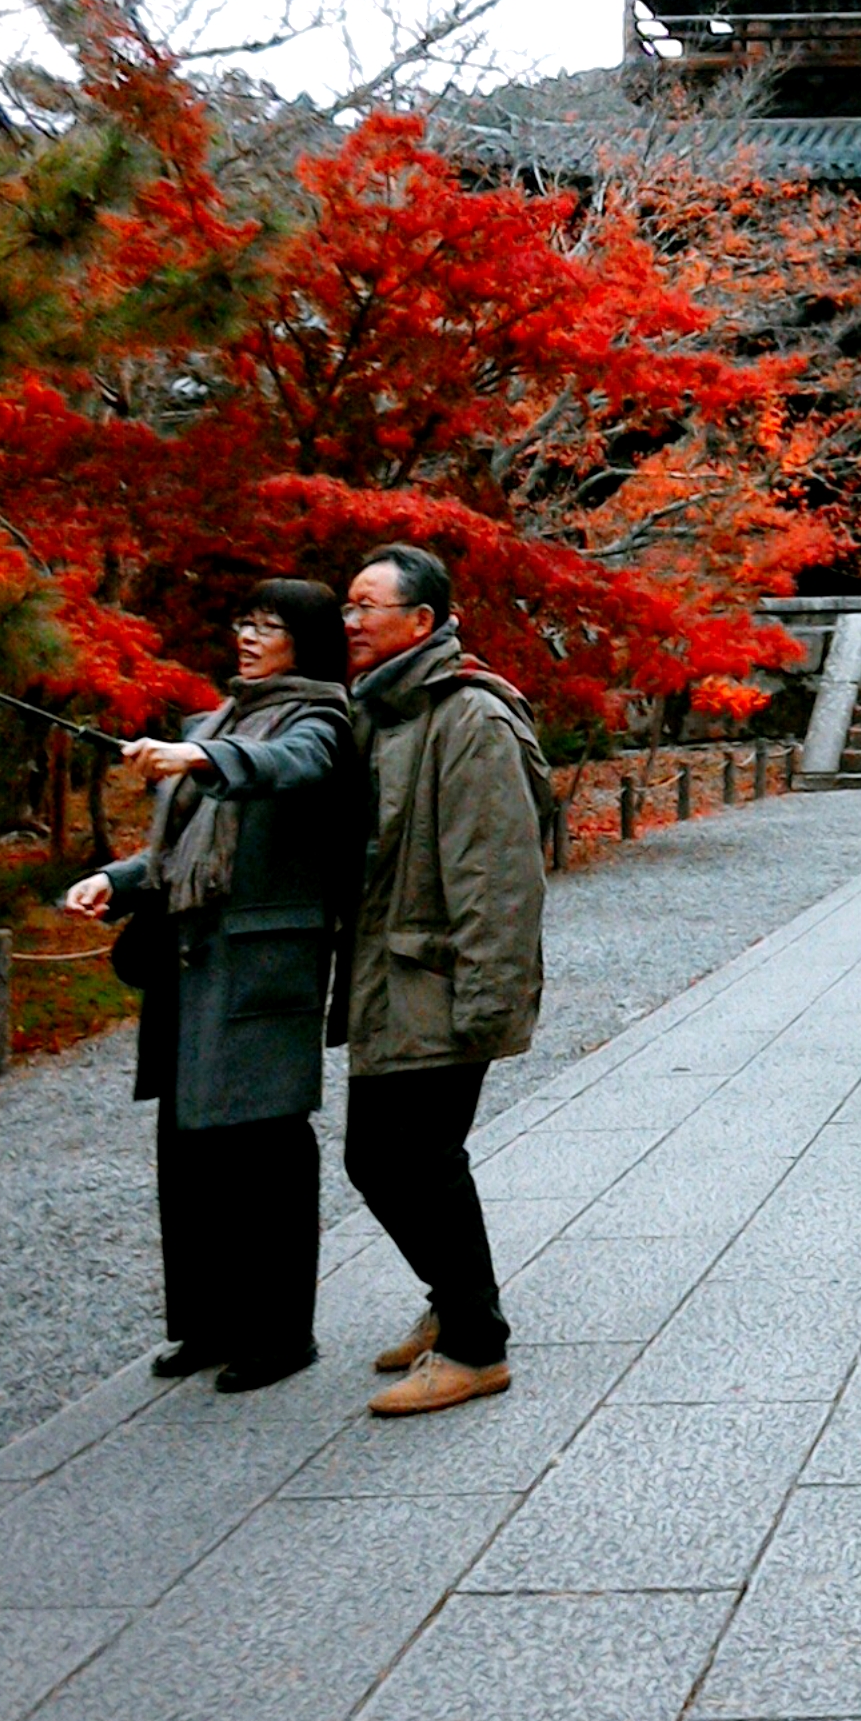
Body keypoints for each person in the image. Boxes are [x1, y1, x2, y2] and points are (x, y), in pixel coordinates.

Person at [64, 580, 355, 1392]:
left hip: (263, 968)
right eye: (245, 621)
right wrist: (115, 881)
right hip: (191, 964)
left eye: (272, 625)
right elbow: (178, 848)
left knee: (263, 1151)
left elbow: (288, 768)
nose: (251, 636)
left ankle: (279, 1333)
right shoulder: (214, 721)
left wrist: (200, 757)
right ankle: (206, 1323)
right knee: (189, 1150)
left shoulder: (324, 719)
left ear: (309, 639)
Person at [337, 543, 551, 1418]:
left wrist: (487, 1003)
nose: (347, 623)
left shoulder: (468, 719)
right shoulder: (383, 711)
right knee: (384, 1159)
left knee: (411, 1161)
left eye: (364, 607)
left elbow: (498, 877)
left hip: (442, 980)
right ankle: (449, 1303)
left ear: (419, 623)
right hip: (395, 976)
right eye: (345, 607)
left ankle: (475, 1344)